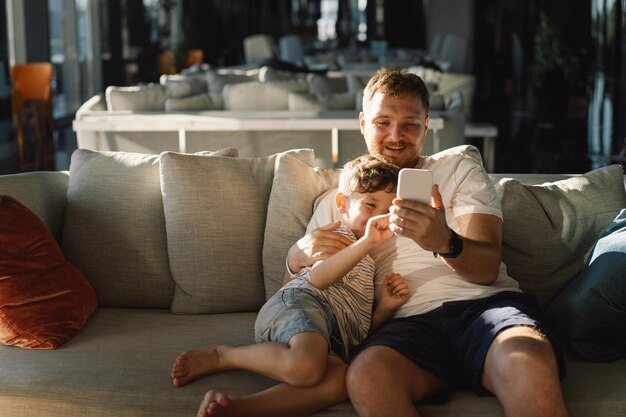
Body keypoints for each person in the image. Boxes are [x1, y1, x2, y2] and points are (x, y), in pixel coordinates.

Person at [285, 67, 569, 417]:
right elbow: (293, 296)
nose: (395, 136)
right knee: (366, 377)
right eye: (382, 122)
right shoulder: (341, 200)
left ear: (426, 126)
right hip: (404, 325)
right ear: (362, 123)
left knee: (526, 359)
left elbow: (486, 269)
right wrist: (295, 256)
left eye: (409, 124)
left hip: (484, 305)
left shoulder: (457, 167)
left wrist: (445, 241)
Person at [171, 154, 410, 417]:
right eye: (370, 205)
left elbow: (359, 330)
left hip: (332, 337)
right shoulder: (335, 238)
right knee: (306, 367)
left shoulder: (370, 263)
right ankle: (222, 355)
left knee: (339, 380)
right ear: (342, 204)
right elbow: (318, 279)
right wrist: (366, 243)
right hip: (300, 305)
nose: (379, 216)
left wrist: (385, 307)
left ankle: (238, 409)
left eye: (387, 211)